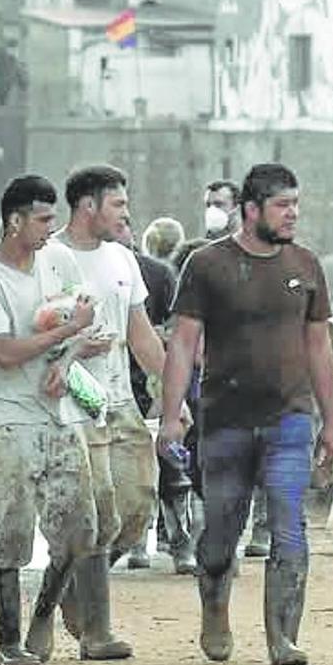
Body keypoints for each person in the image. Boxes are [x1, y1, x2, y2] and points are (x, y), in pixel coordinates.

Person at [160, 163, 333, 665]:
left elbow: (320, 347)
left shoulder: (305, 266)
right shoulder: (207, 265)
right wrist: (171, 415)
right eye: (283, 206)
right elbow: (183, 343)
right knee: (221, 527)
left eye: (296, 205)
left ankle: (283, 636)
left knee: (288, 522)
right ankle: (214, 606)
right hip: (225, 420)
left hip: (290, 417)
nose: (293, 215)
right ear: (251, 209)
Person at [0, 174, 107, 665]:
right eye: (43, 219)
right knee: (12, 526)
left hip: (60, 411)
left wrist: (67, 359)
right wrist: (68, 330)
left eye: (52, 217)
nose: (51, 228)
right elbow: (2, 352)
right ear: (14, 221)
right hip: (8, 415)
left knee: (80, 528)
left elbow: (89, 327)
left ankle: (44, 613)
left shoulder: (58, 261)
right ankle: (7, 642)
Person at [53, 165, 164, 650]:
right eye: (117, 204)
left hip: (120, 397)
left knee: (138, 505)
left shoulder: (122, 258)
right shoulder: (49, 258)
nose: (126, 213)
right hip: (72, 401)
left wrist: (172, 391)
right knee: (96, 510)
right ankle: (97, 631)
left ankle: (72, 583)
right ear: (88, 206)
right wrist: (70, 347)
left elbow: (140, 332)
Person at [203, 178, 271, 558]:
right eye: (208, 202)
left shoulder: (270, 255)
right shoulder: (201, 258)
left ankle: (261, 529)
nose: (212, 209)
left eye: (219, 203)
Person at [134, 217, 199, 573]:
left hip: (155, 376)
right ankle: (134, 541)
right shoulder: (83, 272)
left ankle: (180, 540)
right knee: (130, 468)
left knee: (172, 460)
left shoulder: (157, 275)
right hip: (112, 380)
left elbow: (178, 333)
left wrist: (171, 393)